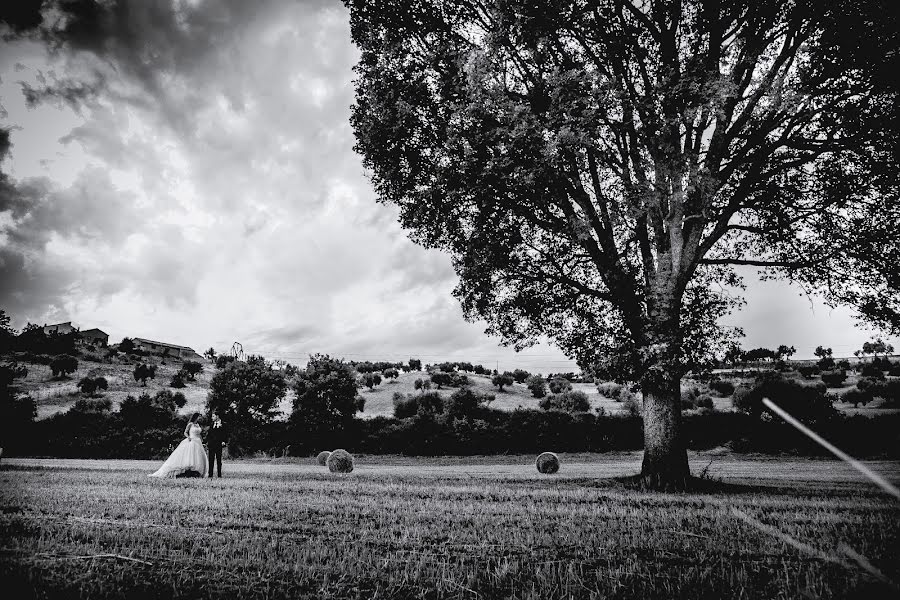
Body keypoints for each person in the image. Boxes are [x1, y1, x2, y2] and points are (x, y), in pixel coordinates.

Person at [148, 412, 208, 478]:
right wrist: (188, 437)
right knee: (190, 456)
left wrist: (202, 441)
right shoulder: (190, 424)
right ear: (196, 417)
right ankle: (187, 471)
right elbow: (185, 432)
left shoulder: (198, 425)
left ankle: (195, 472)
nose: (200, 418)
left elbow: (199, 434)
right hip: (191, 440)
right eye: (199, 417)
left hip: (198, 442)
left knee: (198, 457)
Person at [207, 412, 228, 478]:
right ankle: (210, 475)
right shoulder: (211, 424)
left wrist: (224, 441)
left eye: (213, 416)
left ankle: (219, 475)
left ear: (217, 416)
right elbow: (209, 434)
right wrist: (206, 442)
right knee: (211, 460)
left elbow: (226, 434)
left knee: (219, 460)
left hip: (219, 444)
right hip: (211, 444)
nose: (212, 418)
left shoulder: (224, 424)